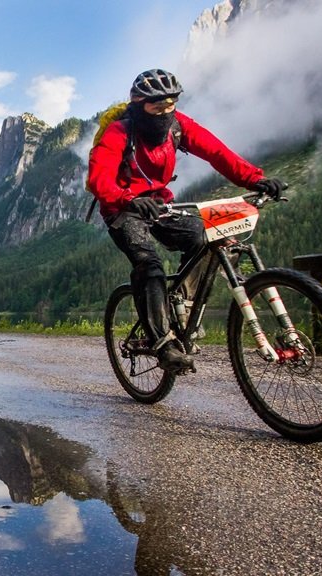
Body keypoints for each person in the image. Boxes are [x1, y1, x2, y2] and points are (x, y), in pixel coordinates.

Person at [87, 68, 284, 372]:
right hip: (121, 208)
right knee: (148, 264)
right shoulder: (119, 133)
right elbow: (99, 180)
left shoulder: (178, 127)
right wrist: (129, 199)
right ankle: (162, 342)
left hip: (158, 205)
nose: (164, 113)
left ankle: (182, 304)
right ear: (139, 105)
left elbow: (217, 152)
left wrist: (255, 179)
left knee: (206, 237)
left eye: (170, 105)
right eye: (156, 107)